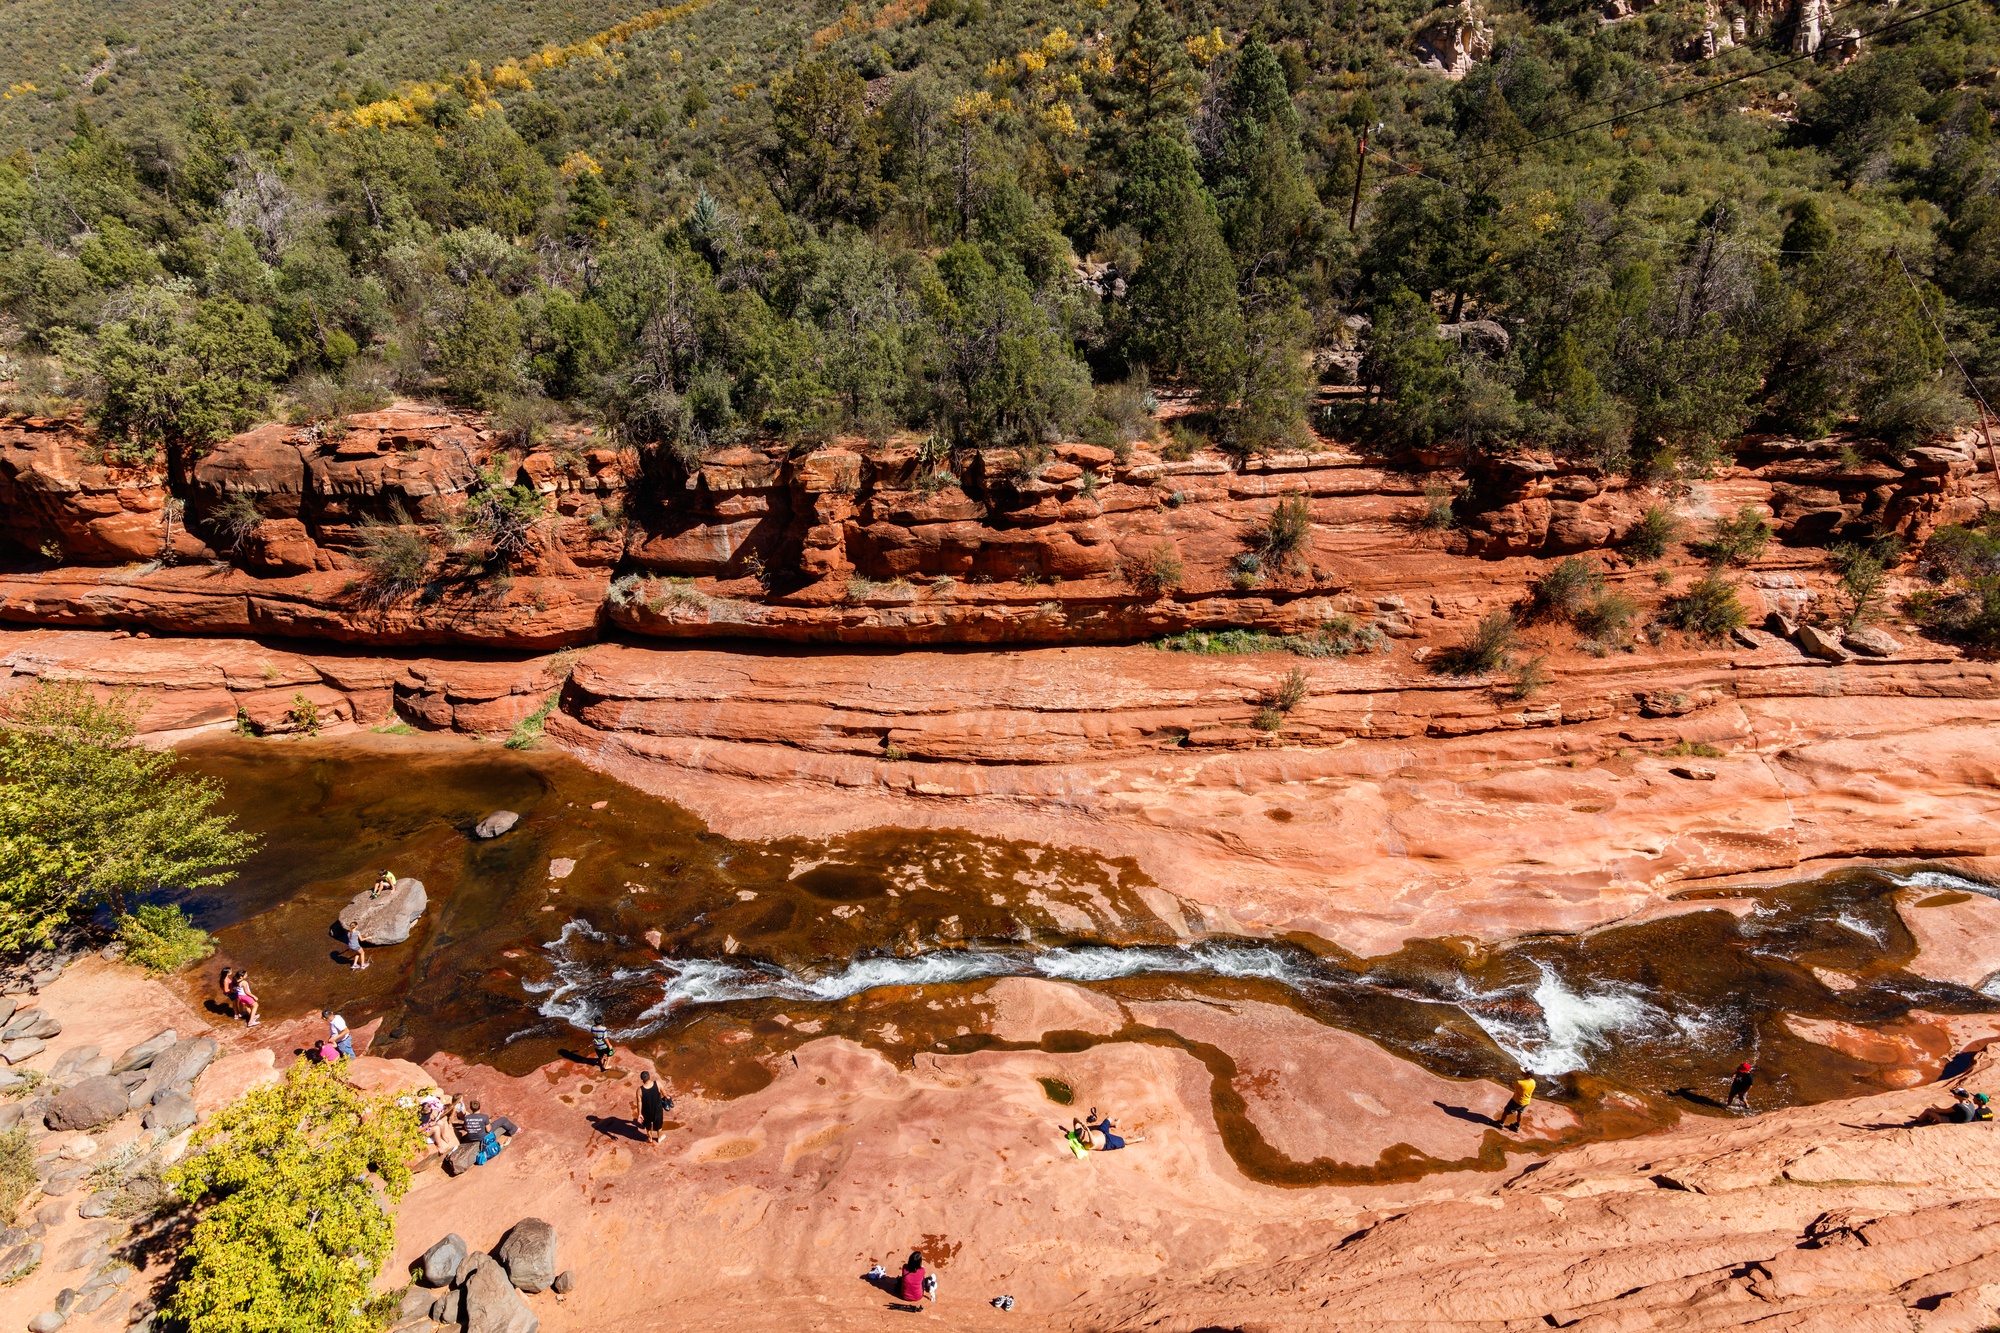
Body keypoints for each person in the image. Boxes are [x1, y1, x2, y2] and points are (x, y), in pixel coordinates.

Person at [1912, 1088, 1992, 1126]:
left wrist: (1935, 1110)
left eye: (1955, 1094)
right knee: (1933, 1111)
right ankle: (1926, 1121)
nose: (1954, 1095)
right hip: (1960, 1119)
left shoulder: (1959, 1106)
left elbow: (1944, 1111)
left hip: (1954, 1120)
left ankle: (1915, 1123)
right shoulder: (1970, 1103)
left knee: (1928, 1111)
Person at [634, 1069, 670, 1144]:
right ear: (649, 1077)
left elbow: (639, 1102)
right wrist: (667, 1097)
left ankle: (650, 1138)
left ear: (642, 1079)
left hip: (647, 1112)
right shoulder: (657, 1083)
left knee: (648, 1126)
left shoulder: (639, 1090)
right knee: (659, 1125)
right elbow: (664, 1093)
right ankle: (659, 1138)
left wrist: (639, 1114)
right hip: (657, 1110)